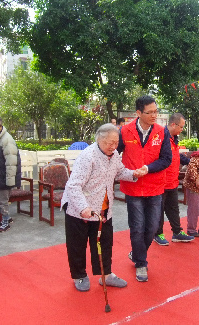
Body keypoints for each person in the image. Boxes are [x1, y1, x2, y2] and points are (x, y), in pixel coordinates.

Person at [61, 123, 147, 292]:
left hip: (103, 208)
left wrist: (134, 174)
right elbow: (73, 186)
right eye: (110, 143)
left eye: (116, 142)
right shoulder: (88, 157)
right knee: (77, 244)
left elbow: (120, 172)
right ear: (99, 140)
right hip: (80, 209)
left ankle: (106, 275)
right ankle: (79, 276)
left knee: (105, 243)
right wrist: (83, 207)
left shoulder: (114, 155)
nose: (114, 147)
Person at [117, 96, 172, 282]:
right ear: (138, 113)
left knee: (152, 228)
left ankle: (137, 253)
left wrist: (148, 169)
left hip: (155, 186)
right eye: (150, 112)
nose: (154, 115)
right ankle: (141, 263)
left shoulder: (162, 132)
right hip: (132, 188)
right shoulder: (125, 131)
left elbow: (166, 159)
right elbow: (114, 153)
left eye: (156, 111)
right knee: (137, 228)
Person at [153, 113, 194, 246]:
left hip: (172, 180)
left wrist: (189, 161)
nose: (182, 130)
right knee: (159, 209)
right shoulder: (161, 136)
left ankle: (177, 232)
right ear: (173, 124)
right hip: (161, 181)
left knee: (173, 208)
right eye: (181, 127)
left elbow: (176, 156)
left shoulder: (174, 139)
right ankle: (157, 233)